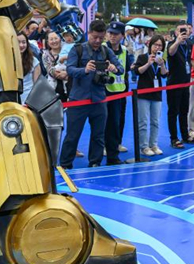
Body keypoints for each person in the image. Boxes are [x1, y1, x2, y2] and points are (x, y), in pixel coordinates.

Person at [59, 19, 123, 169]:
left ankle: (95, 163)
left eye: (101, 38)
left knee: (98, 136)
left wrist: (114, 68)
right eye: (95, 37)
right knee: (72, 135)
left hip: (99, 99)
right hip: (78, 100)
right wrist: (85, 70)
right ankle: (65, 164)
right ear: (89, 34)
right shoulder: (77, 49)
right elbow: (69, 70)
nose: (97, 40)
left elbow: (121, 68)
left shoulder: (106, 50)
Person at [132, 35, 167, 156]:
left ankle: (154, 144)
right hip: (143, 93)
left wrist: (162, 64)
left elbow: (164, 75)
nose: (157, 47)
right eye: (155, 45)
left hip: (157, 94)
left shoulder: (161, 59)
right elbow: (137, 71)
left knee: (155, 121)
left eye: (160, 45)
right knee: (143, 121)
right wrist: (148, 63)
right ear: (150, 45)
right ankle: (144, 146)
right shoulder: (142, 57)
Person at [104, 21, 133, 163]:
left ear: (122, 35)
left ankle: (114, 147)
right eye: (110, 33)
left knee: (117, 122)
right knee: (103, 121)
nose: (112, 36)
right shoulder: (102, 48)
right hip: (104, 91)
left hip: (120, 91)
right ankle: (104, 147)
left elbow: (126, 70)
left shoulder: (125, 50)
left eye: (115, 34)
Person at [166, 21, 193, 149]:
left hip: (186, 83)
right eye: (180, 30)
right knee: (173, 111)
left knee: (184, 110)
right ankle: (174, 138)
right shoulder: (172, 44)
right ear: (175, 32)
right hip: (174, 84)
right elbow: (171, 53)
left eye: (185, 30)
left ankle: (185, 134)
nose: (183, 32)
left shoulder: (189, 44)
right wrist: (177, 41)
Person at [42, 31, 70, 102]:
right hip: (54, 86)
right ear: (48, 42)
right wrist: (59, 74)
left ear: (60, 39)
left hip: (69, 82)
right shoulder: (45, 55)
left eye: (56, 38)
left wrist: (67, 73)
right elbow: (49, 69)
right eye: (51, 39)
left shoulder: (68, 50)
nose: (54, 41)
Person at [17, 33, 41, 103]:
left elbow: (37, 84)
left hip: (30, 99)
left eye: (24, 42)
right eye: (18, 42)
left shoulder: (34, 61)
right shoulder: (6, 61)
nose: (21, 45)